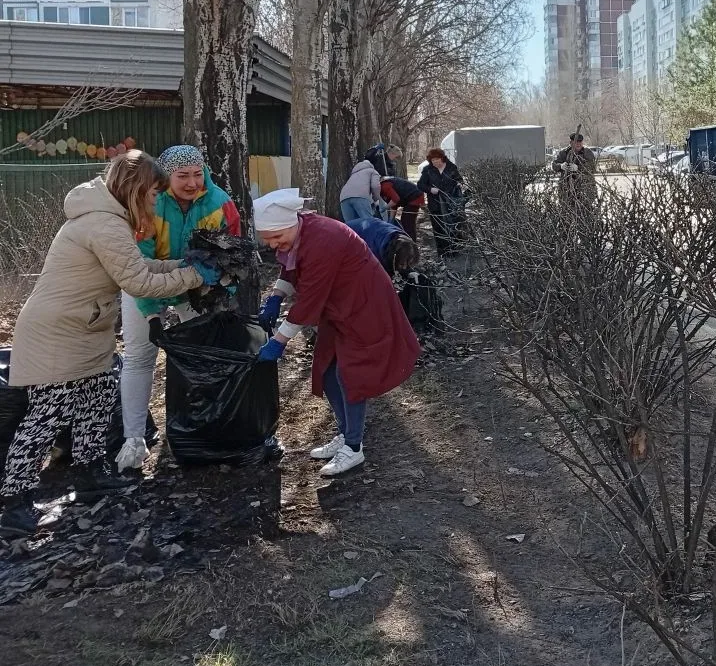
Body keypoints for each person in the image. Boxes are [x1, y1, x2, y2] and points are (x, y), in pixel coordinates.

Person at [0, 152, 220, 535]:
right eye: (153, 194)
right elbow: (139, 283)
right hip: (57, 333)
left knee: (98, 397)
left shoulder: (111, 220)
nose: (156, 201)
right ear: (137, 190)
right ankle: (14, 502)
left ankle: (90, 475)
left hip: (86, 329)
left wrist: (181, 266)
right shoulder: (104, 224)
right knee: (47, 415)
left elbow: (139, 265)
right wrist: (194, 276)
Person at [254, 189, 420, 479]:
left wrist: (279, 342)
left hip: (365, 304)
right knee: (327, 367)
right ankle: (345, 432)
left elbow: (309, 301)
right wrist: (276, 296)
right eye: (267, 239)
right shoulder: (299, 232)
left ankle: (354, 447)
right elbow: (290, 267)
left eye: (275, 237)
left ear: (291, 224)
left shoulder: (323, 240)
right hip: (338, 305)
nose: (272, 245)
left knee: (350, 374)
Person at [115, 144, 242, 472]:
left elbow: (231, 259)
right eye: (182, 176)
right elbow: (138, 266)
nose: (192, 182)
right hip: (145, 284)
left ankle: (198, 428)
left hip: (195, 289)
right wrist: (152, 314)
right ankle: (133, 439)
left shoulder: (220, 204)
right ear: (166, 176)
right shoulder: (150, 202)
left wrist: (216, 292)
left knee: (200, 357)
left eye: (198, 174)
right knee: (139, 357)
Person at [418, 148, 467, 258]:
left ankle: (455, 252)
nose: (435, 162)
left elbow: (459, 179)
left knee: (453, 226)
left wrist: (460, 184)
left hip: (451, 203)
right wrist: (430, 189)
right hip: (435, 204)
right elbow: (420, 185)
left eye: (437, 159)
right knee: (438, 228)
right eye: (432, 160)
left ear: (442, 158)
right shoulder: (427, 170)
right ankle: (443, 254)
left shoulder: (451, 167)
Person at [346, 217, 418, 277]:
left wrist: (408, 272)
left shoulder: (404, 241)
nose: (405, 267)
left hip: (371, 227)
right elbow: (377, 273)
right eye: (402, 264)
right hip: (348, 236)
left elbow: (405, 256)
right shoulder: (375, 251)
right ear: (394, 256)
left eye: (409, 263)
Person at [552, 132, 597, 202]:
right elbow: (554, 165)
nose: (578, 144)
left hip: (585, 188)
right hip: (567, 189)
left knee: (586, 206)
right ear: (571, 143)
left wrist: (578, 168)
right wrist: (560, 166)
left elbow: (592, 168)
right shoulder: (564, 153)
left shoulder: (587, 152)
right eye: (576, 142)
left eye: (580, 142)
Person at [339, 156, 382, 224]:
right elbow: (375, 186)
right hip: (360, 196)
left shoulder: (354, 174)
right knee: (368, 222)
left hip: (344, 198)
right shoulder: (373, 171)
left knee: (350, 225)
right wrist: (376, 198)